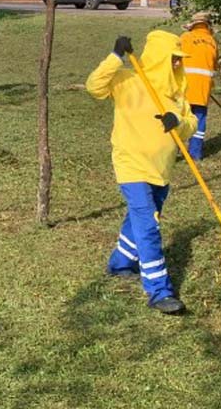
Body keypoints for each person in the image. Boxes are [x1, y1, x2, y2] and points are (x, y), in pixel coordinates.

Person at [85, 31, 198, 314]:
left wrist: (179, 123)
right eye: (173, 60)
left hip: (161, 171)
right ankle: (159, 290)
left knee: (141, 218)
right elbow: (94, 87)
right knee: (148, 225)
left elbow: (192, 122)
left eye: (178, 60)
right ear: (159, 58)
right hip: (131, 165)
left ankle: (121, 262)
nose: (177, 65)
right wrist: (115, 57)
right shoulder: (128, 81)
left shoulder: (175, 93)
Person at [180, 12, 218, 160]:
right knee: (199, 119)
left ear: (192, 25)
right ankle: (195, 153)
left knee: (180, 118)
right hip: (203, 87)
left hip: (184, 87)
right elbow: (213, 65)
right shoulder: (212, 41)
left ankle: (173, 149)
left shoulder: (184, 38)